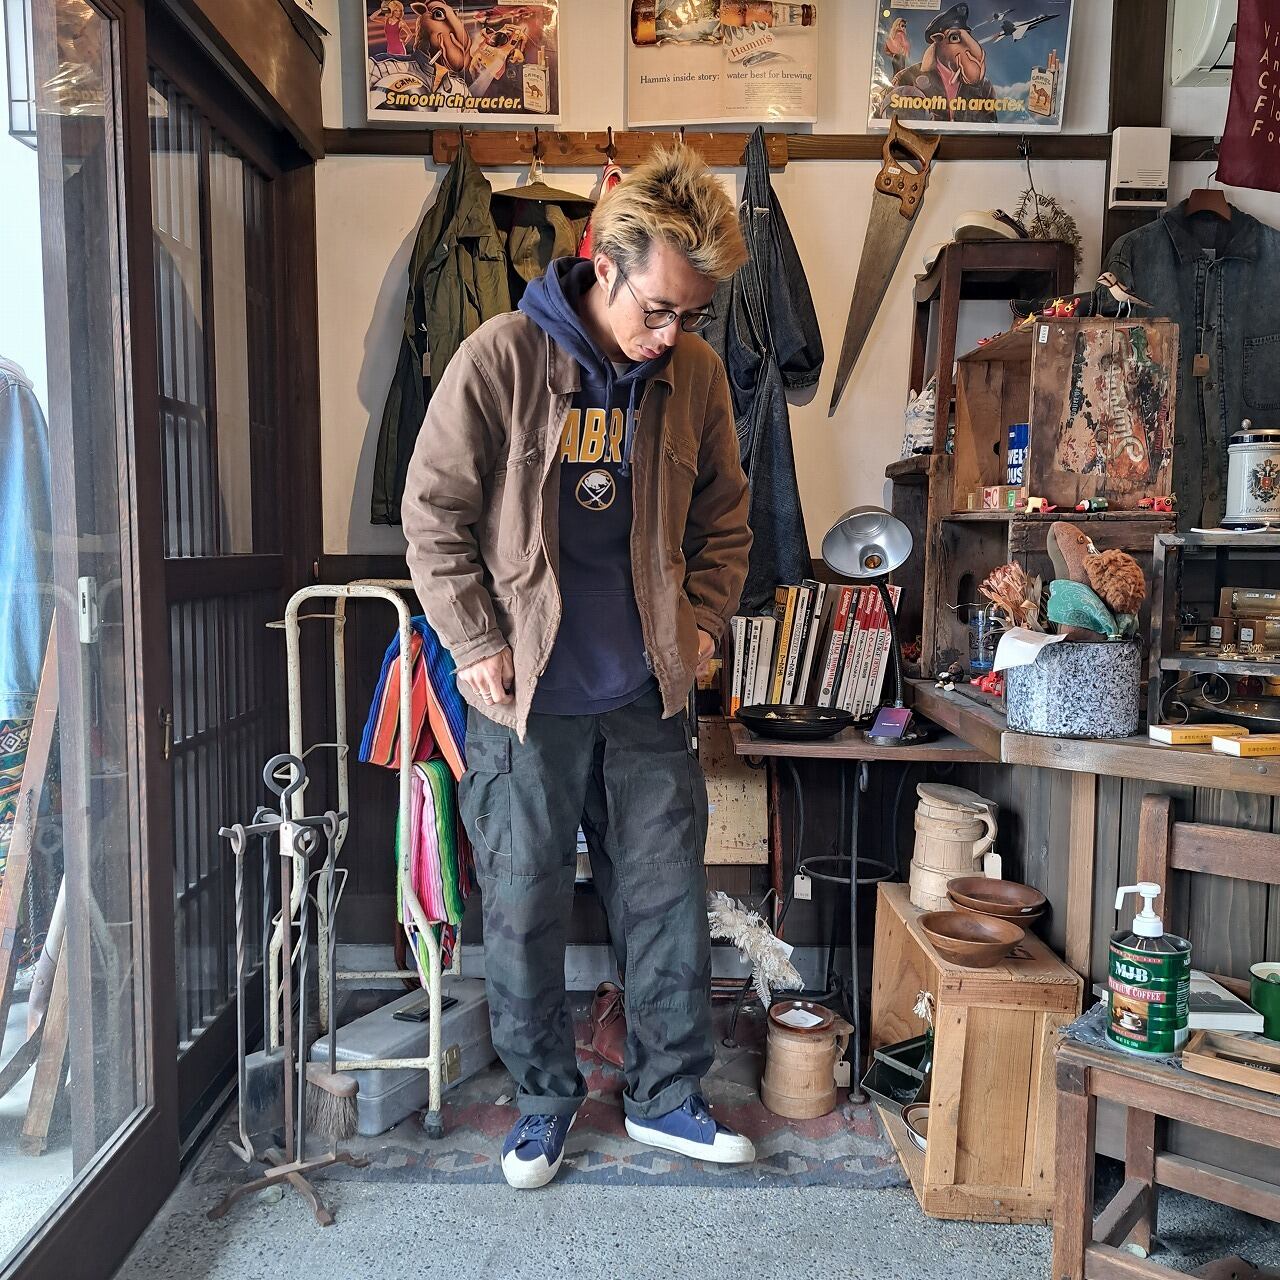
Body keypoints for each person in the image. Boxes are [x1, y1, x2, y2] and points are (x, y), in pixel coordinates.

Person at [402, 145, 755, 1190]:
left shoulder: (692, 377)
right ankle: (544, 1102)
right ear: (605, 265)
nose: (671, 333)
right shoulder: (502, 357)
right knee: (523, 903)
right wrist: (473, 640)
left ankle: (665, 1097)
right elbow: (432, 515)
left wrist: (703, 624)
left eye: (690, 314)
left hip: (647, 690)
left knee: (666, 900)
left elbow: (726, 520)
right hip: (526, 696)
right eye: (658, 308)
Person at [890, 2, 997, 125]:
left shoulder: (984, 87)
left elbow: (991, 126)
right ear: (938, 39)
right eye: (954, 38)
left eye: (968, 34)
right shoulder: (907, 78)